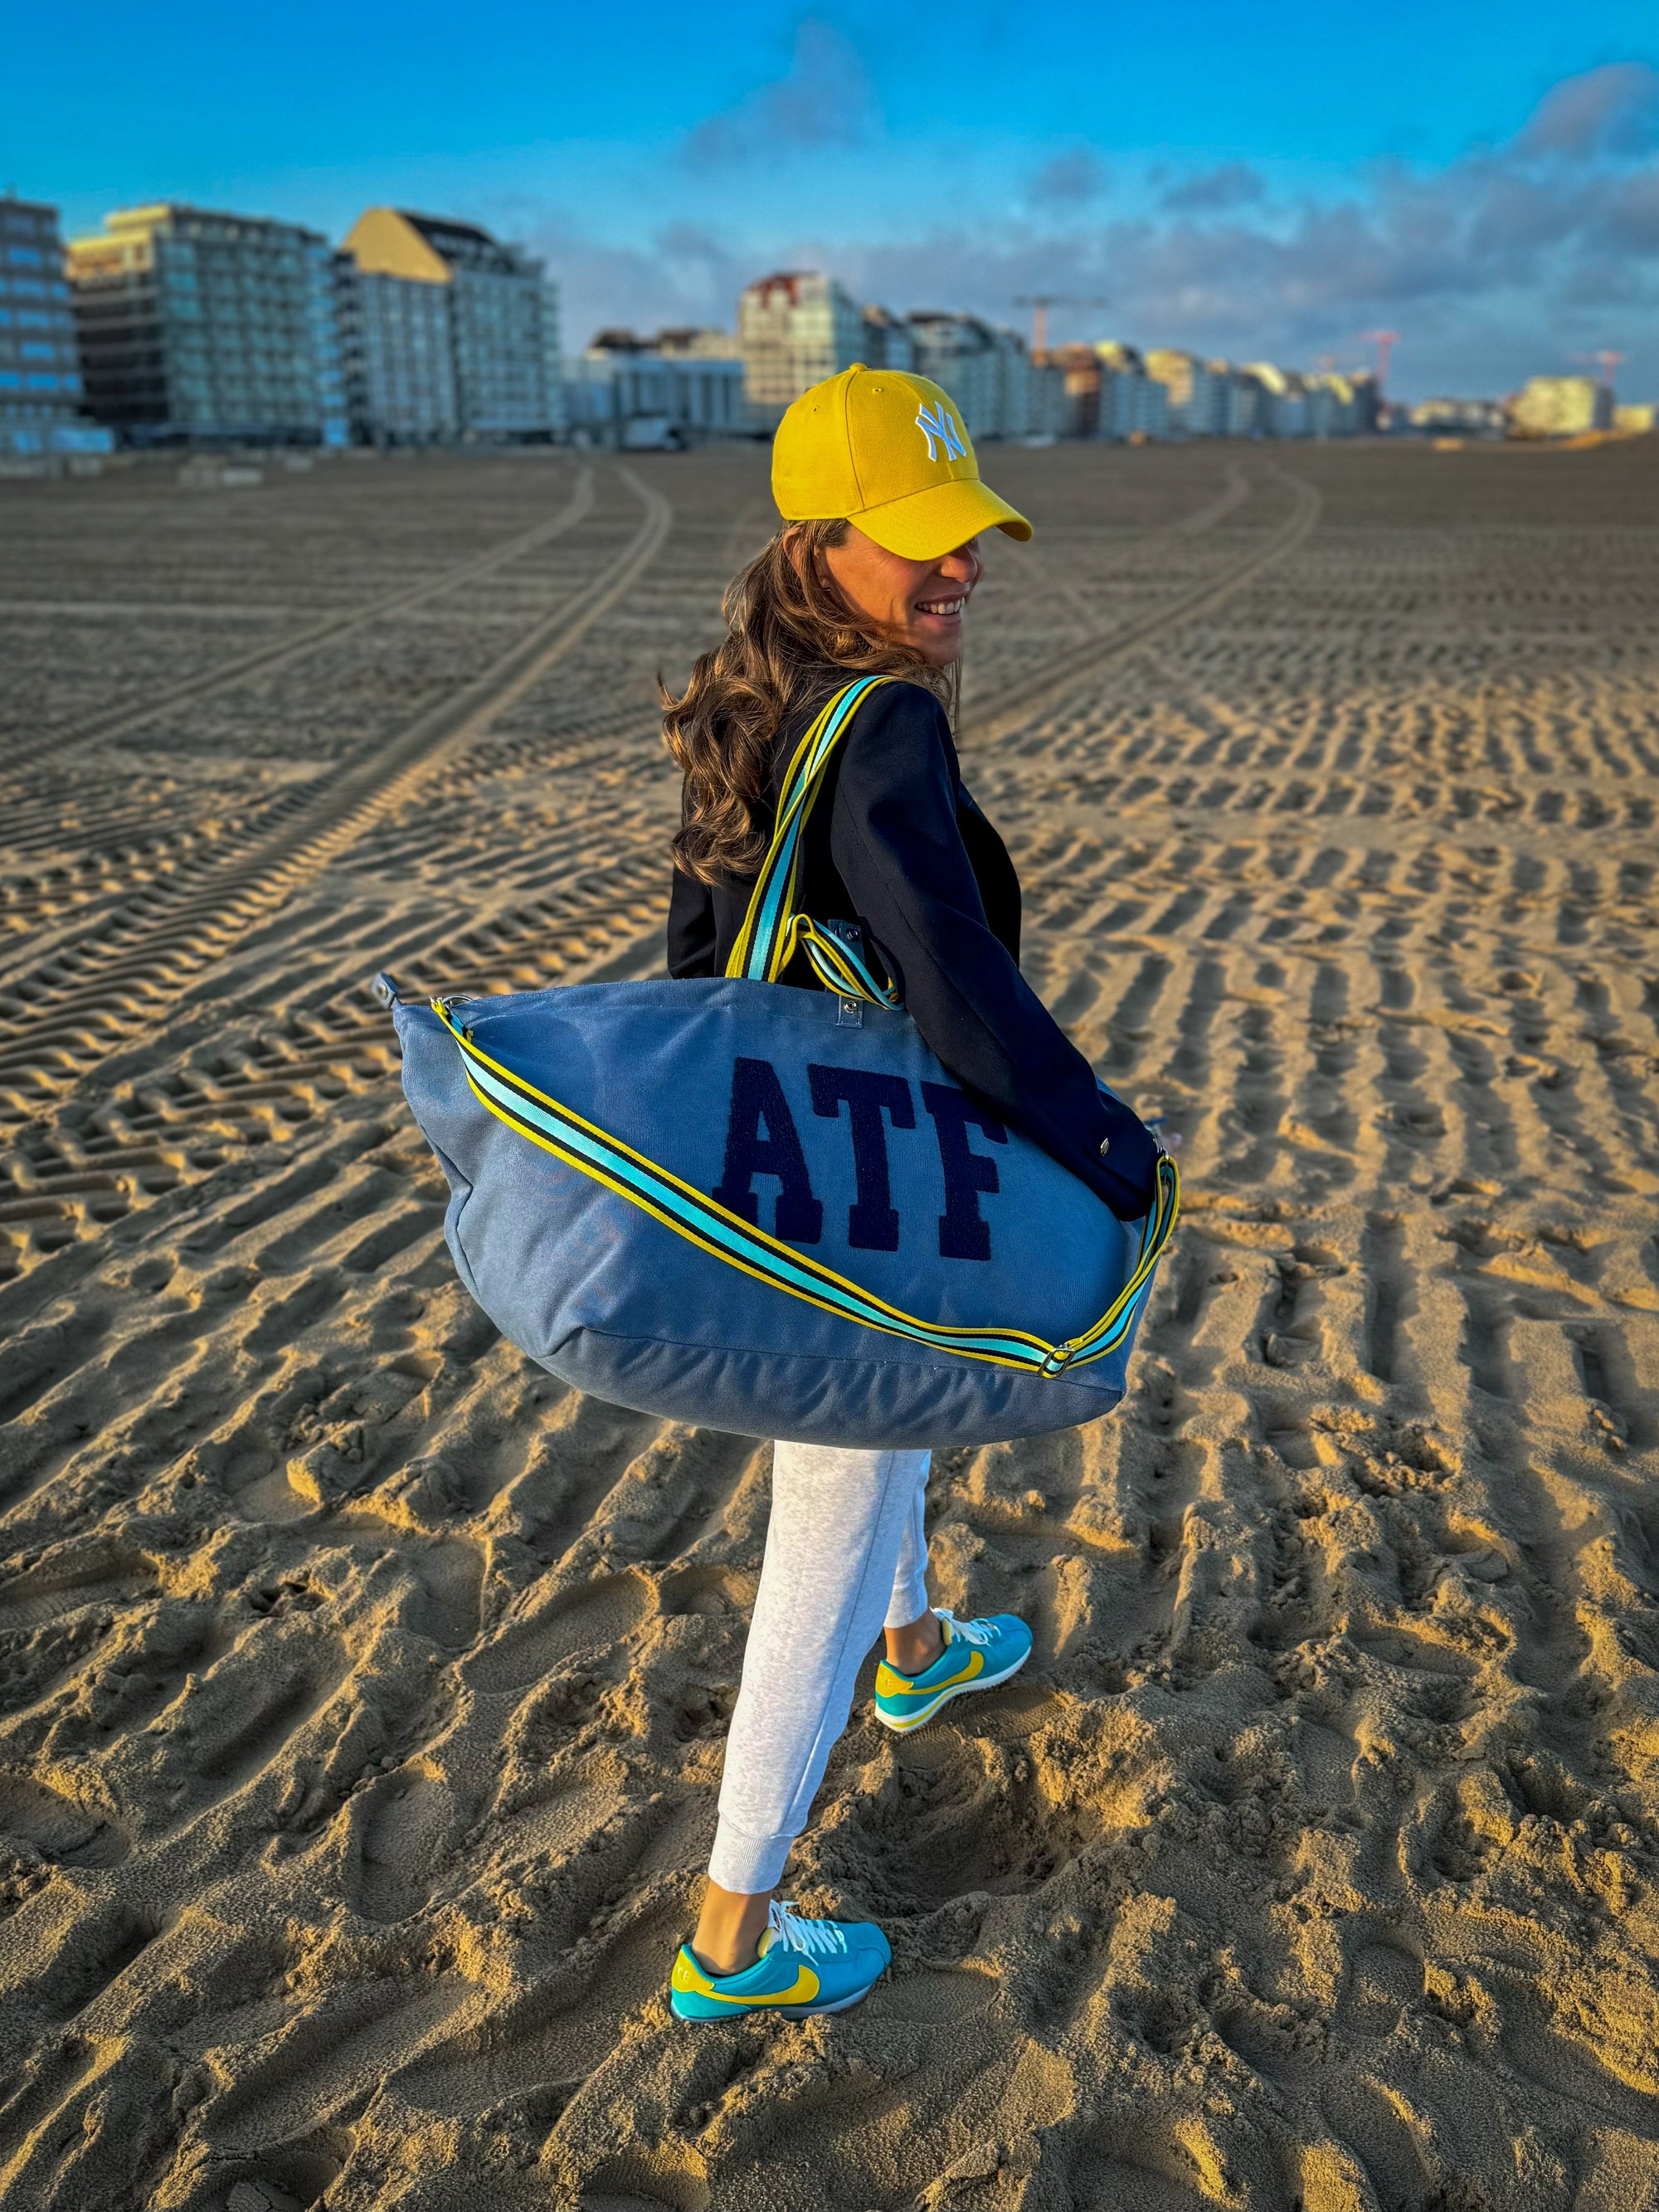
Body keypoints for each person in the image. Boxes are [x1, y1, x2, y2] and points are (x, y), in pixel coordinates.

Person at [659, 365, 1157, 2022]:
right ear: (822, 545)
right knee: (834, 1504)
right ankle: (732, 1938)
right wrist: (1099, 1140)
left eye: (971, 535)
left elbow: (692, 961)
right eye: (926, 542)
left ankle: (917, 1650)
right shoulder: (878, 721)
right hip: (848, 1187)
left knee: (889, 1390)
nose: (966, 567)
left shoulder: (746, 694)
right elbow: (954, 980)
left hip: (785, 1157)